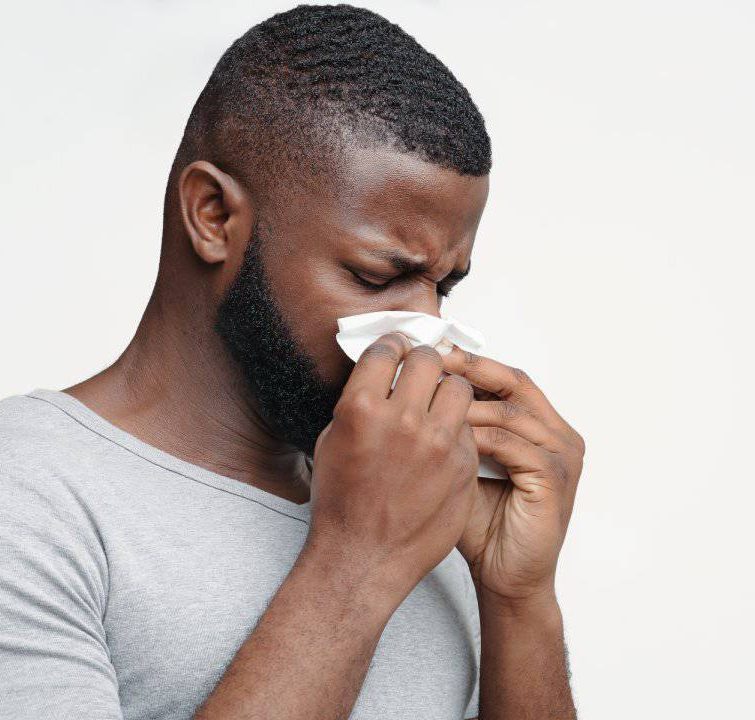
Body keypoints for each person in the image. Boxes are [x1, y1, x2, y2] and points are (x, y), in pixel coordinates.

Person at [0, 5, 584, 719]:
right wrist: (358, 561)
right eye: (377, 276)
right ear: (212, 215)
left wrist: (517, 599)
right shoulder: (28, 496)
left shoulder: (417, 500)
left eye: (445, 284)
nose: (426, 327)